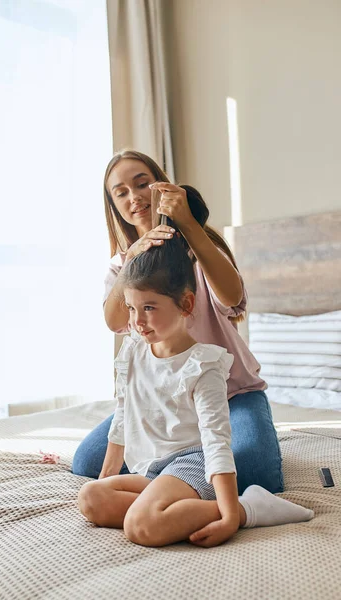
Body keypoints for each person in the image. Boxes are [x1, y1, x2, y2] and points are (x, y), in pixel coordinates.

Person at [77, 236, 313, 548]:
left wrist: (229, 517)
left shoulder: (204, 364)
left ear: (186, 304)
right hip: (154, 468)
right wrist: (107, 477)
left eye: (149, 307)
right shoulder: (134, 350)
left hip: (192, 463)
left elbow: (216, 441)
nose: (137, 321)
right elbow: (123, 417)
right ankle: (167, 508)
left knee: (140, 526)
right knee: (91, 497)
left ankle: (247, 509)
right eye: (132, 308)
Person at [72, 149, 282, 495]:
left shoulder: (199, 248)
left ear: (162, 186)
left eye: (142, 184)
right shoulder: (121, 265)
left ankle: (182, 471)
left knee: (256, 472)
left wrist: (187, 224)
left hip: (229, 394)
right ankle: (180, 470)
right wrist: (133, 258)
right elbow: (114, 321)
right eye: (120, 192)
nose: (134, 196)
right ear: (113, 204)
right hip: (163, 399)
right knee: (86, 463)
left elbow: (231, 297)